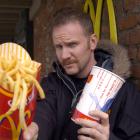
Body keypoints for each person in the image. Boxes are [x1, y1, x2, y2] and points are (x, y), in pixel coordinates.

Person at [23, 7, 140, 140]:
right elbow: (43, 114)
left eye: (72, 45)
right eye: (59, 47)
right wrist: (35, 129)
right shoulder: (51, 83)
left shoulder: (123, 89)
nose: (64, 55)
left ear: (92, 42)